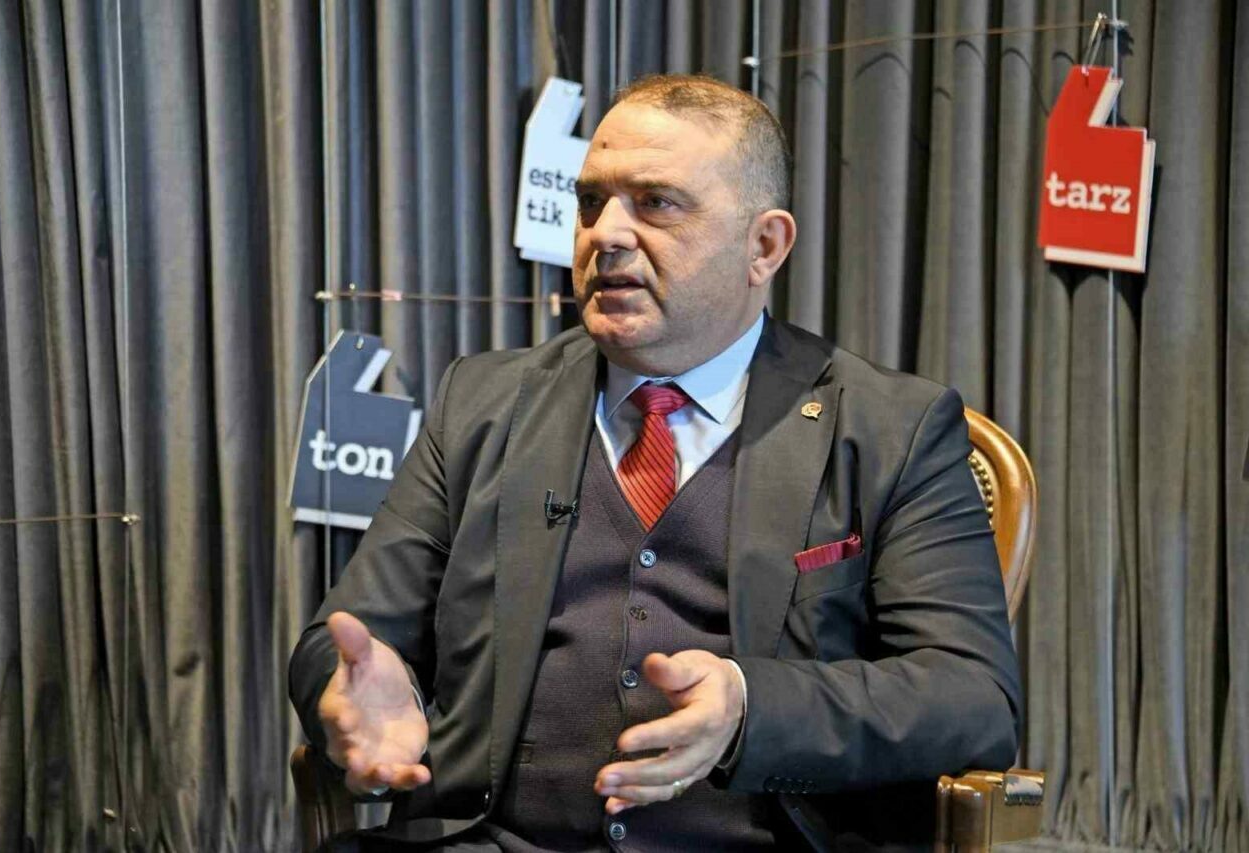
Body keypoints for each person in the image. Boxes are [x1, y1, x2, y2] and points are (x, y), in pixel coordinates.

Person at [289, 74, 1020, 851]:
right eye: (590, 203)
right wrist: (348, 691)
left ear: (764, 246)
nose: (605, 233)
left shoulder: (890, 429)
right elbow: (348, 639)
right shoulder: (481, 403)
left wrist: (750, 706)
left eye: (656, 203)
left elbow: (972, 697)